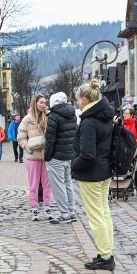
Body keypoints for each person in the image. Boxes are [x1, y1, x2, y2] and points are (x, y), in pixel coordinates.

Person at [71, 79, 115, 270]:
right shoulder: (104, 117)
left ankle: (105, 257)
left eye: (79, 99)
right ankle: (107, 252)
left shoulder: (89, 121)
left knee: (96, 216)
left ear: (85, 99)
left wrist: (73, 165)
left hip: (91, 174)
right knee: (104, 213)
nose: (78, 103)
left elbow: (87, 155)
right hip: (104, 171)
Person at [19, 94, 54, 221]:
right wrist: (27, 148)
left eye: (45, 102)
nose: (43, 104)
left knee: (47, 185)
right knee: (33, 185)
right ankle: (34, 209)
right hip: (33, 157)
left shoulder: (48, 118)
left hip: (46, 157)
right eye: (41, 102)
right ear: (35, 103)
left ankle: (47, 208)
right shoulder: (27, 119)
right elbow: (21, 137)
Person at [44, 92, 77, 224]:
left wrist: (47, 156)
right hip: (69, 154)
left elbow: (50, 139)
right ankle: (71, 211)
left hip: (57, 156)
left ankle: (64, 214)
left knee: (58, 186)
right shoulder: (72, 114)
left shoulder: (54, 116)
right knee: (68, 183)